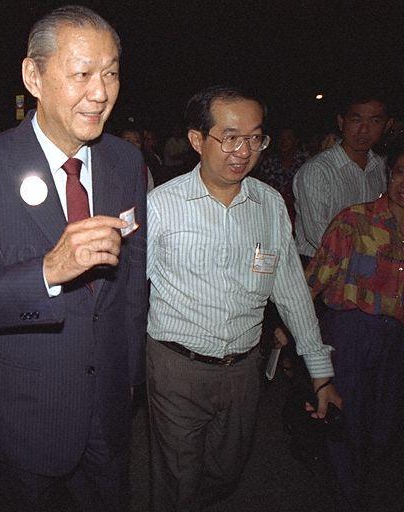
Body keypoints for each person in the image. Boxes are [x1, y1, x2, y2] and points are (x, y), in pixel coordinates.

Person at [0, 6, 147, 511]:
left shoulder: (125, 160)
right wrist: (48, 272)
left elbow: (133, 283)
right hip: (30, 415)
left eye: (111, 72)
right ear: (34, 75)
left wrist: (132, 376)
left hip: (111, 410)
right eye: (81, 74)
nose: (100, 92)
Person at [144, 85, 341, 511]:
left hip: (243, 370)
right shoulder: (160, 206)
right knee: (178, 480)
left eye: (255, 137)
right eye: (230, 136)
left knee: (227, 470)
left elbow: (290, 290)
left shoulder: (269, 204)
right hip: (178, 368)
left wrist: (320, 370)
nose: (244, 150)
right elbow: (124, 290)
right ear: (198, 140)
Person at [305, 144, 404, 512]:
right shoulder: (355, 220)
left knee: (384, 428)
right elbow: (315, 277)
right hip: (351, 331)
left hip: (395, 340)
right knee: (345, 418)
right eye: (399, 172)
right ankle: (347, 496)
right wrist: (292, 326)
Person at [293, 93, 392, 263]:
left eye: (375, 121)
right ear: (341, 122)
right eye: (356, 120)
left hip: (366, 268)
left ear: (387, 125)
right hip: (320, 266)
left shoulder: (380, 168)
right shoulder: (318, 170)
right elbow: (319, 235)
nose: (364, 130)